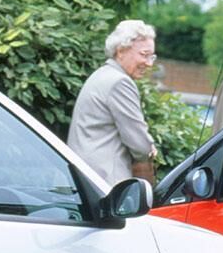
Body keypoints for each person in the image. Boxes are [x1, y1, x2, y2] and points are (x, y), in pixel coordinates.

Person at [67, 20, 159, 186]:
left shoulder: (101, 75)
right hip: (105, 181)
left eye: (151, 56)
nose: (149, 63)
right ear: (121, 51)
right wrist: (149, 148)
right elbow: (140, 145)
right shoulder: (120, 82)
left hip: (85, 177)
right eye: (144, 55)